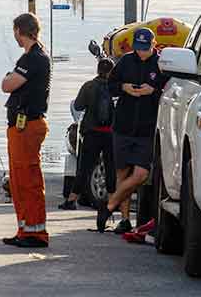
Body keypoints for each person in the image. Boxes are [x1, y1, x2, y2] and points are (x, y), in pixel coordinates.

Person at [97, 28, 170, 234]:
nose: (141, 53)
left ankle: (109, 205)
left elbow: (170, 94)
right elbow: (110, 85)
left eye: (145, 49)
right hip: (124, 124)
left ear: (153, 45)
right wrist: (124, 88)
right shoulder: (126, 61)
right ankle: (125, 219)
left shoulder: (161, 65)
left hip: (147, 127)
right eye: (138, 48)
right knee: (122, 172)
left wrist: (152, 91)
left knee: (140, 174)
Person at [0, 13, 51, 248]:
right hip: (23, 125)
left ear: (20, 30)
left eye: (15, 32)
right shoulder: (33, 56)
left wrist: (8, 77)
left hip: (27, 126)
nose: (15, 36)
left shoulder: (33, 59)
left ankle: (34, 232)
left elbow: (7, 85)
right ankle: (25, 229)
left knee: (27, 179)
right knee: (19, 181)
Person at [67, 58, 118, 211]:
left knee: (84, 168)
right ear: (112, 72)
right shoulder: (115, 88)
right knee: (111, 168)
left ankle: (71, 200)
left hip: (91, 133)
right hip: (110, 134)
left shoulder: (89, 86)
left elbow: (78, 105)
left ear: (97, 70)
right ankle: (110, 203)